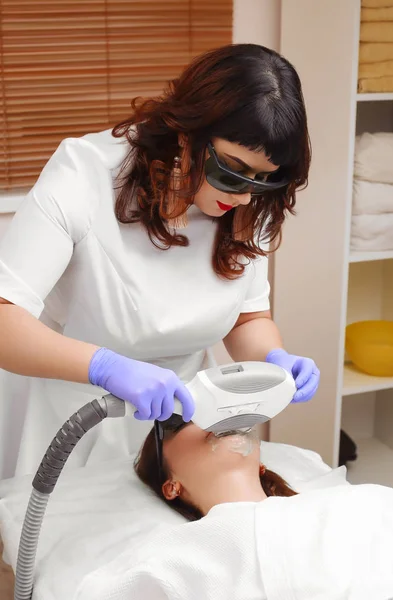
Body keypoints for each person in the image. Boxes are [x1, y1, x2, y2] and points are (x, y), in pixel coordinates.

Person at [0, 43, 320, 480]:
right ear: (188, 133)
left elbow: (247, 319)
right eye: (232, 171)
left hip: (184, 426)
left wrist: (274, 357)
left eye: (263, 180)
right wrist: (106, 367)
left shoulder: (243, 202)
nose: (245, 195)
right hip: (74, 418)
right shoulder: (84, 176)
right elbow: (5, 321)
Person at [128, 418, 393, 600]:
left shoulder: (359, 502)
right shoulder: (173, 554)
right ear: (171, 487)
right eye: (182, 420)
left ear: (260, 465)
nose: (213, 417)